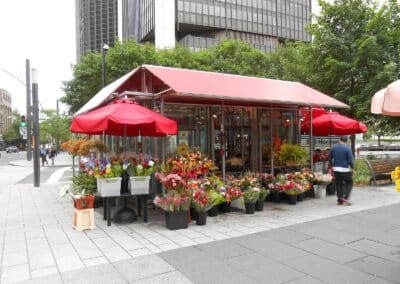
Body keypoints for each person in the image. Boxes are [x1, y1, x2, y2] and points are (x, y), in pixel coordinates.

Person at [328, 136, 354, 205]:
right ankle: (345, 197)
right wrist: (353, 168)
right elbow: (350, 160)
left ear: (339, 140)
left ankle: (340, 200)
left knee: (338, 184)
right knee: (349, 182)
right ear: (346, 141)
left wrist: (331, 166)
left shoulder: (334, 148)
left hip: (336, 169)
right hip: (345, 169)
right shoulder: (348, 149)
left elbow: (329, 158)